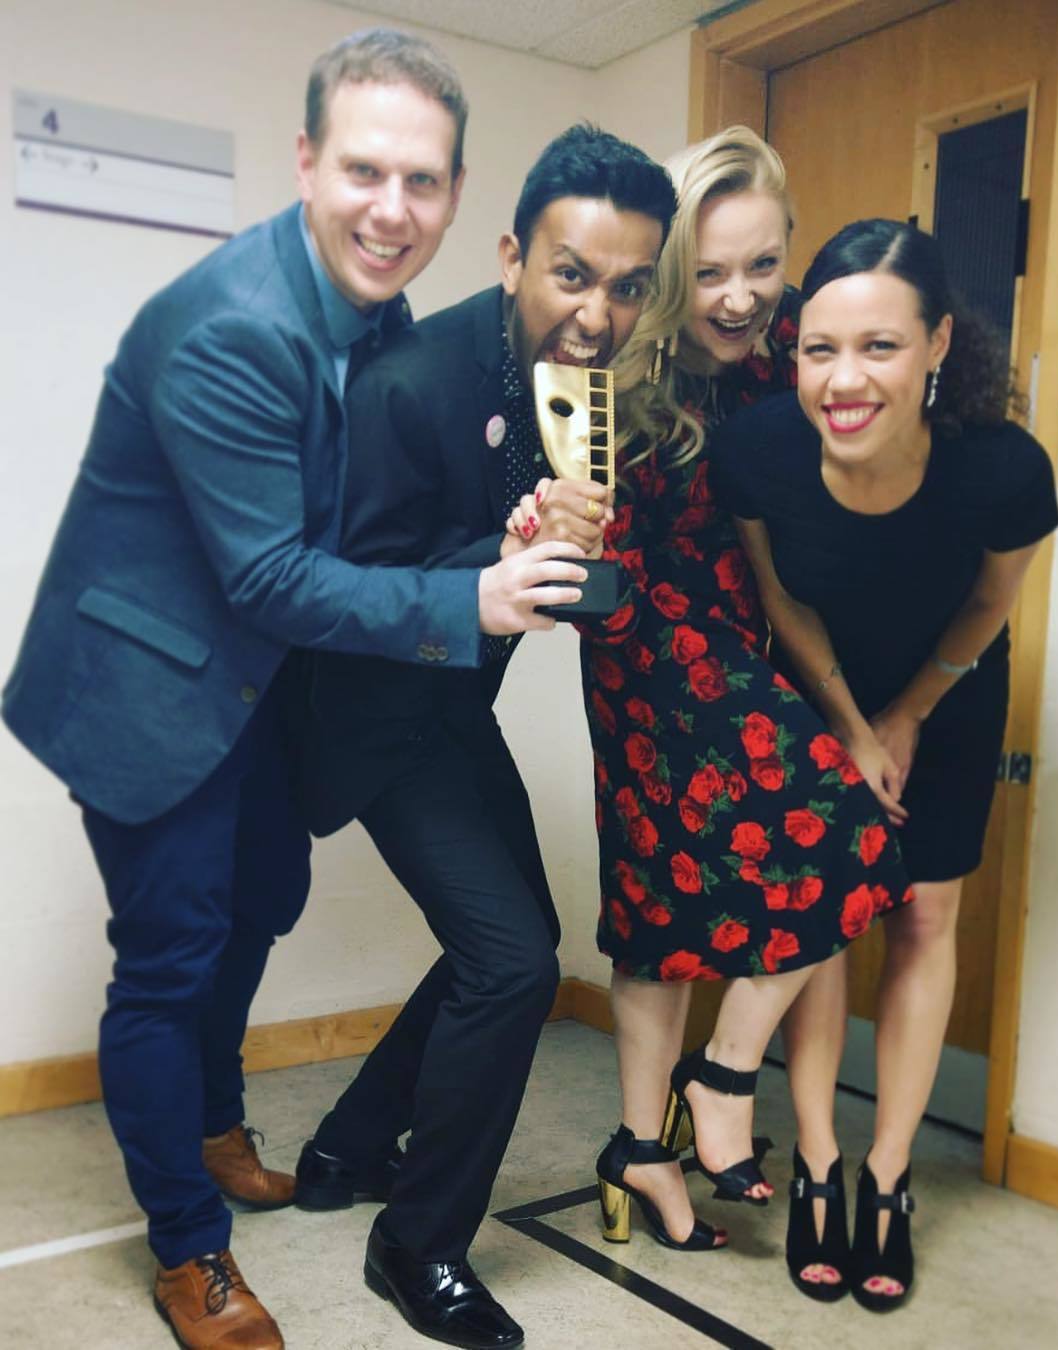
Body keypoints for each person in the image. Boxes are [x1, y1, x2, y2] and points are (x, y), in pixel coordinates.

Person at [0, 30, 585, 1350]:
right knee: (170, 961)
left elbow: (358, 524)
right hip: (149, 683)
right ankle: (188, 1248)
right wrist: (470, 597)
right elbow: (271, 573)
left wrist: (494, 540)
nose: (393, 208)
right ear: (309, 161)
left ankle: (213, 1125)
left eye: (423, 180)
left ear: (455, 192)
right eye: (366, 170)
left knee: (262, 899)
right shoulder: (231, 327)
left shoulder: (377, 319)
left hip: (264, 683)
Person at [289, 125, 676, 1350]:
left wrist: (577, 559)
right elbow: (341, 597)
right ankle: (417, 1241)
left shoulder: (578, 391)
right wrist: (501, 560)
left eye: (628, 286)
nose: (598, 314)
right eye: (572, 275)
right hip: (366, 709)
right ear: (513, 256)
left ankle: (348, 1147)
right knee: (512, 965)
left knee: (515, 944)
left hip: (451, 705)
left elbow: (551, 582)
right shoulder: (409, 383)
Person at [508, 128, 910, 1265]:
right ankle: (688, 1111)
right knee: (663, 915)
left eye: (764, 265)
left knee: (826, 852)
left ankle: (676, 1118)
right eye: (711, 271)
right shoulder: (609, 373)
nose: (740, 298)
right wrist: (560, 541)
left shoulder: (794, 346)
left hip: (758, 643)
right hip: (647, 658)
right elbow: (583, 577)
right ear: (672, 265)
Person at [717, 218, 1058, 1310]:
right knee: (822, 921)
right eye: (821, 349)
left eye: (881, 346)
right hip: (818, 688)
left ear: (938, 344)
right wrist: (854, 727)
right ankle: (819, 1161)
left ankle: (889, 1175)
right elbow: (781, 595)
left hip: (948, 692)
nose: (845, 380)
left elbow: (991, 605)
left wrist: (907, 716)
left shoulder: (1003, 470)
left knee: (921, 918)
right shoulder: (759, 449)